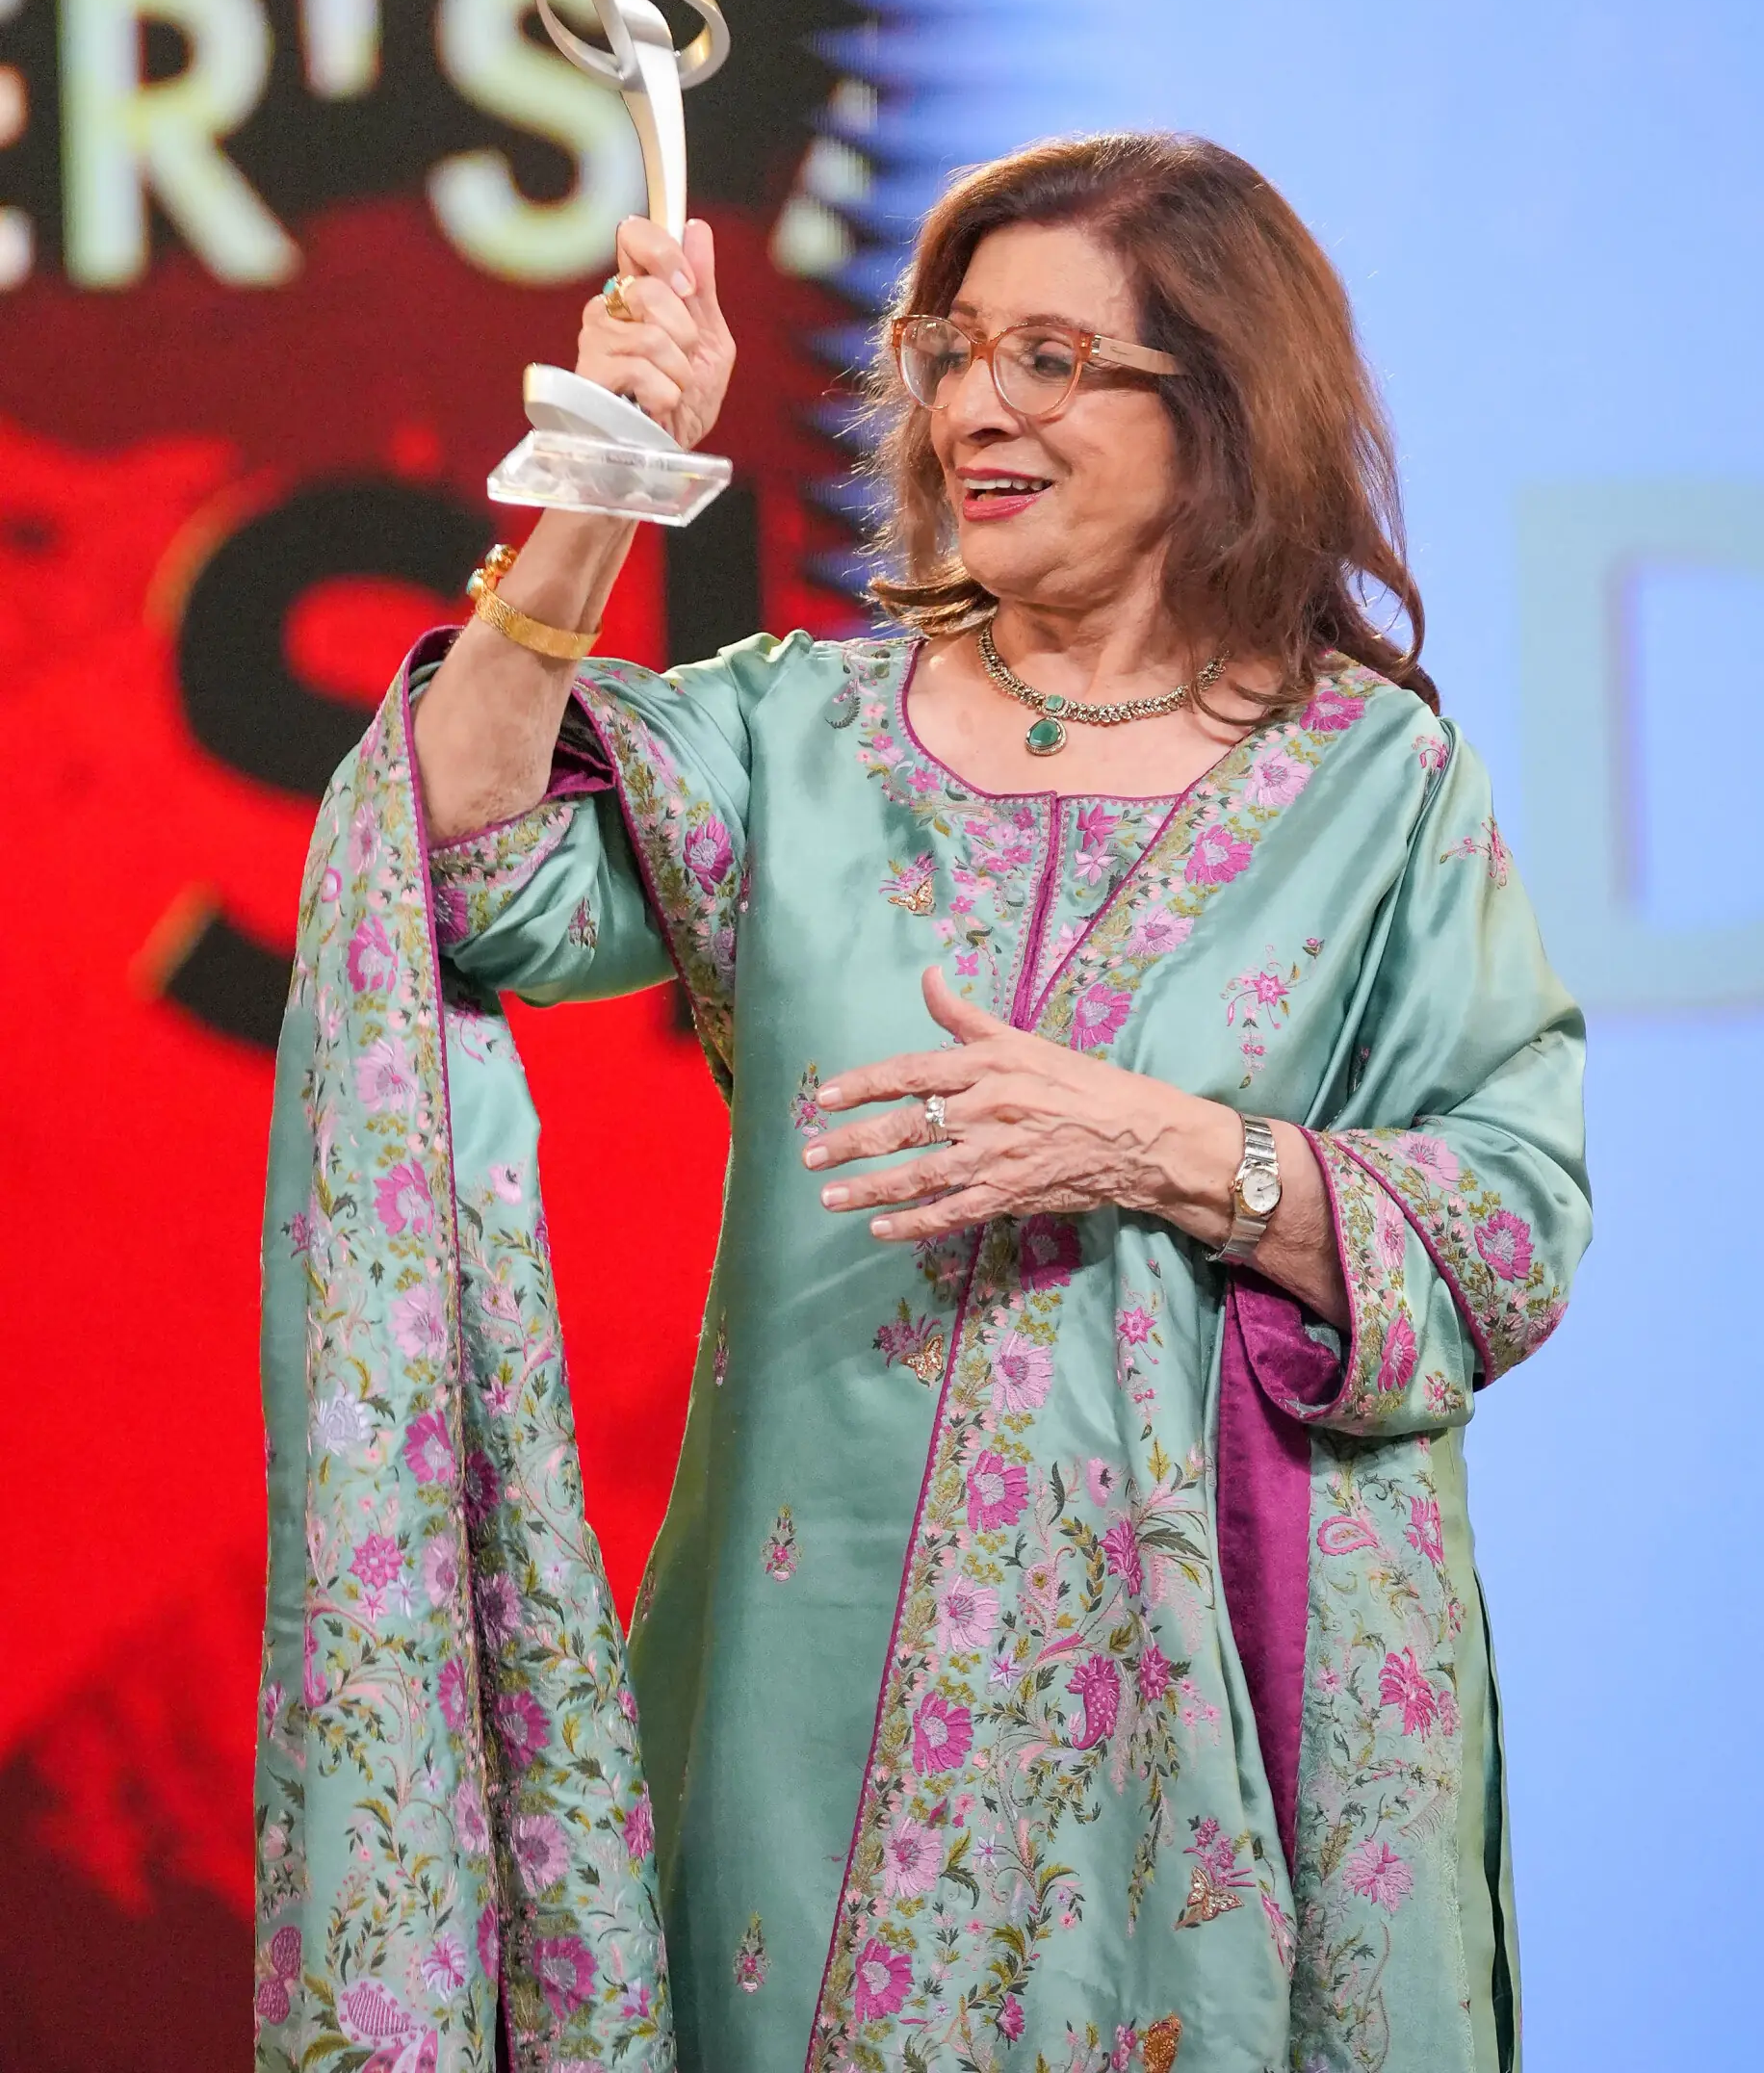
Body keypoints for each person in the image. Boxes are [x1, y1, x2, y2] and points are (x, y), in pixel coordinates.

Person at [256, 131, 1588, 2073]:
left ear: (1222, 407)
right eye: (950, 353)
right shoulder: (799, 733)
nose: (973, 408)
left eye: (1051, 361)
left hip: (1211, 1716)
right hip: (803, 1683)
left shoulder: (1373, 782)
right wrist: (605, 478)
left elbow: (1509, 1222)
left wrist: (1159, 1148)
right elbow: (458, 866)